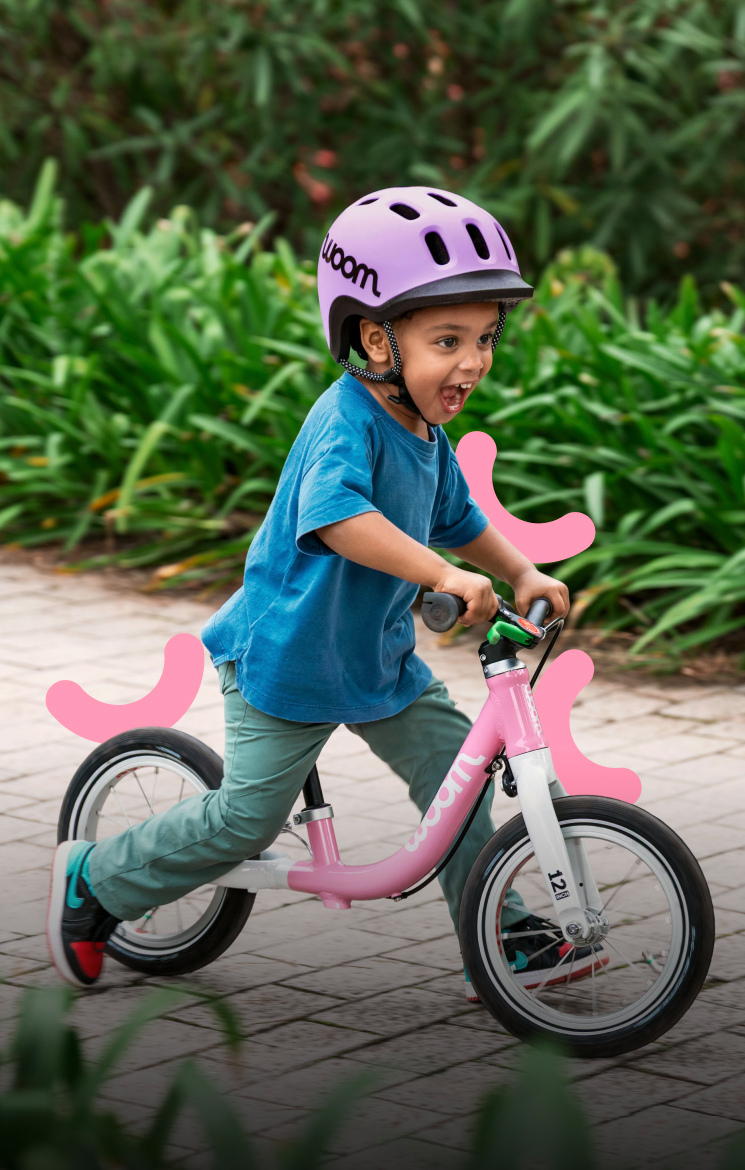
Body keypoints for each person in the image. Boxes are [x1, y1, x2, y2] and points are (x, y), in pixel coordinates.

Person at [47, 187, 592, 999]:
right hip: (290, 658)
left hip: (374, 659)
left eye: (484, 338)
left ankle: (501, 934)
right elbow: (339, 520)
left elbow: (456, 515)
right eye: (448, 340)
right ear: (375, 337)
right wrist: (441, 576)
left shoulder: (424, 431)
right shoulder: (344, 420)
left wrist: (518, 570)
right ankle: (99, 881)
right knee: (246, 822)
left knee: (460, 779)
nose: (473, 361)